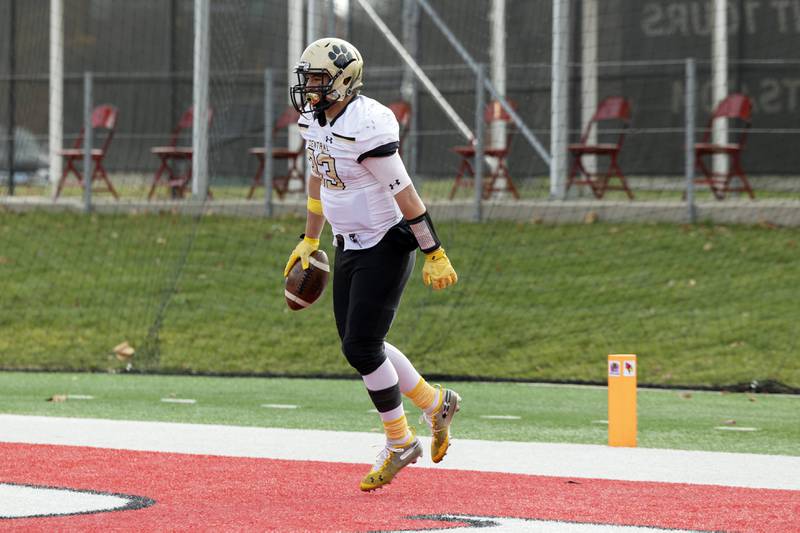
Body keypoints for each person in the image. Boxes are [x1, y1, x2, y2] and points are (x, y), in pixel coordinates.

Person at [283, 37, 461, 492]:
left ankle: (400, 441)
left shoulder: (368, 125)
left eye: (318, 80)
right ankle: (434, 402)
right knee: (362, 344)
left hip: (385, 241)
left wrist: (433, 251)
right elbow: (320, 176)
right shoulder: (315, 120)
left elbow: (407, 194)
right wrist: (310, 236)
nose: (309, 89)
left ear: (344, 81)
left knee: (362, 348)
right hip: (348, 243)